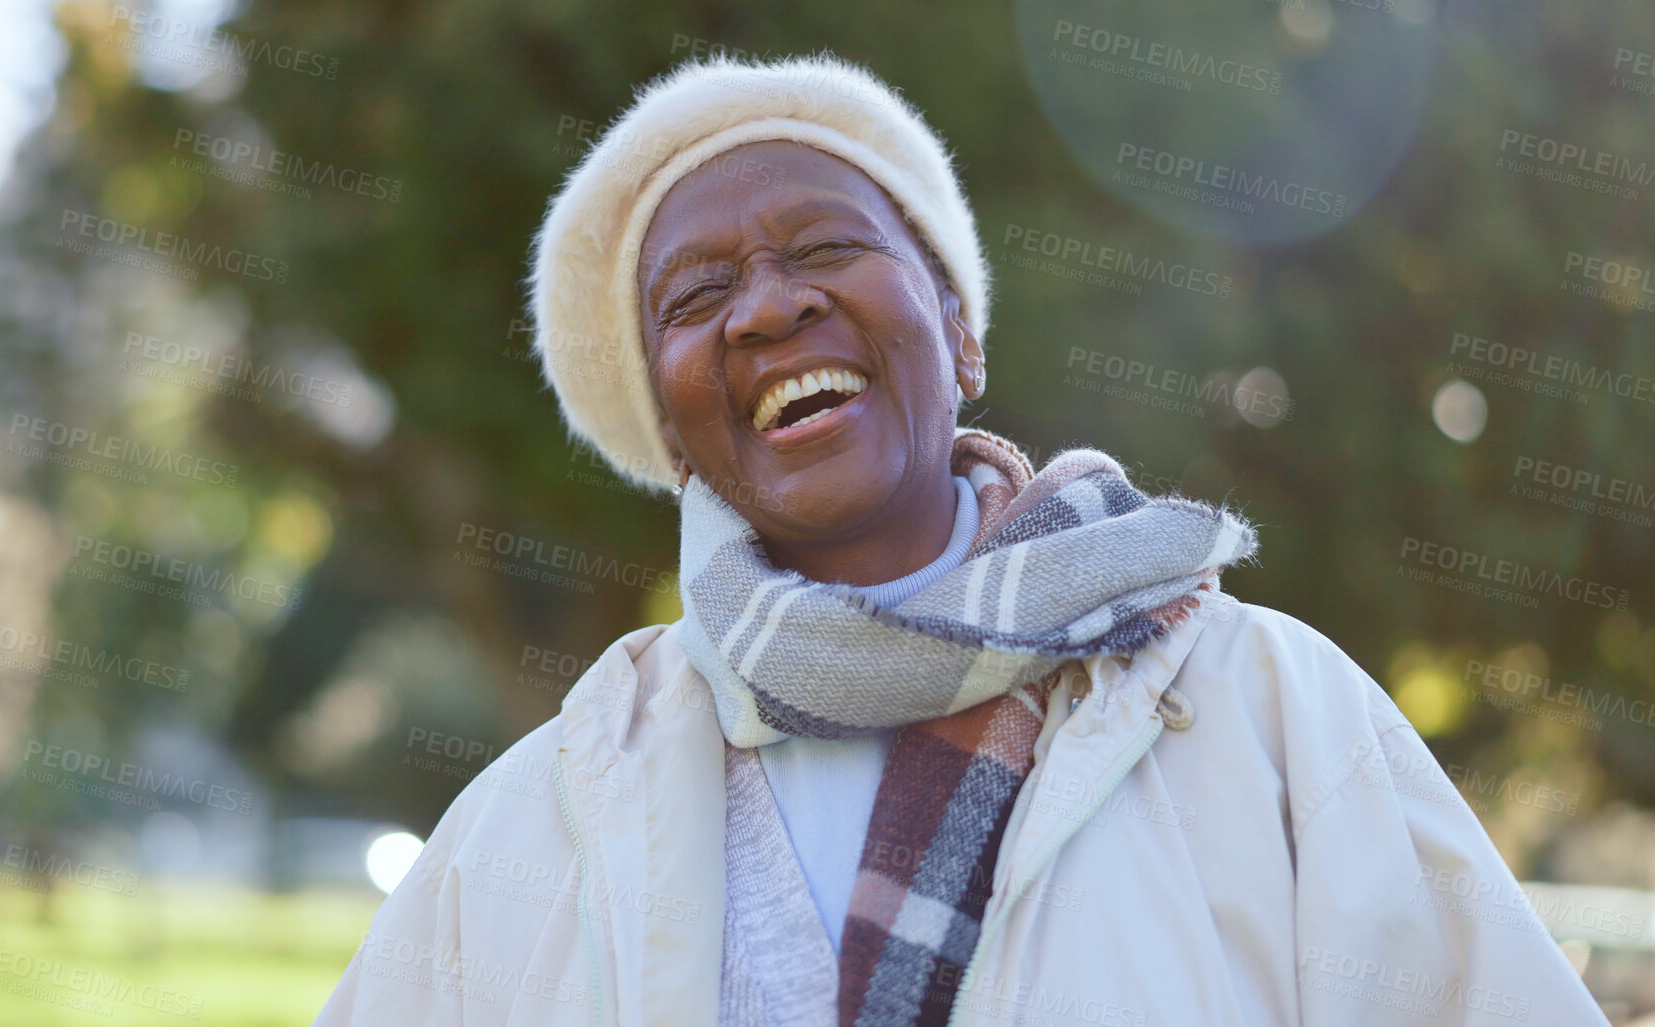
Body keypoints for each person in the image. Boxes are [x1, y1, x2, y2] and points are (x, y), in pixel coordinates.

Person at [313, 53, 1610, 1026]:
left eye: (826, 246)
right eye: (698, 297)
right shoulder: (544, 814)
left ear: (962, 330)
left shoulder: (1272, 712)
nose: (771, 306)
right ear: (667, 425)